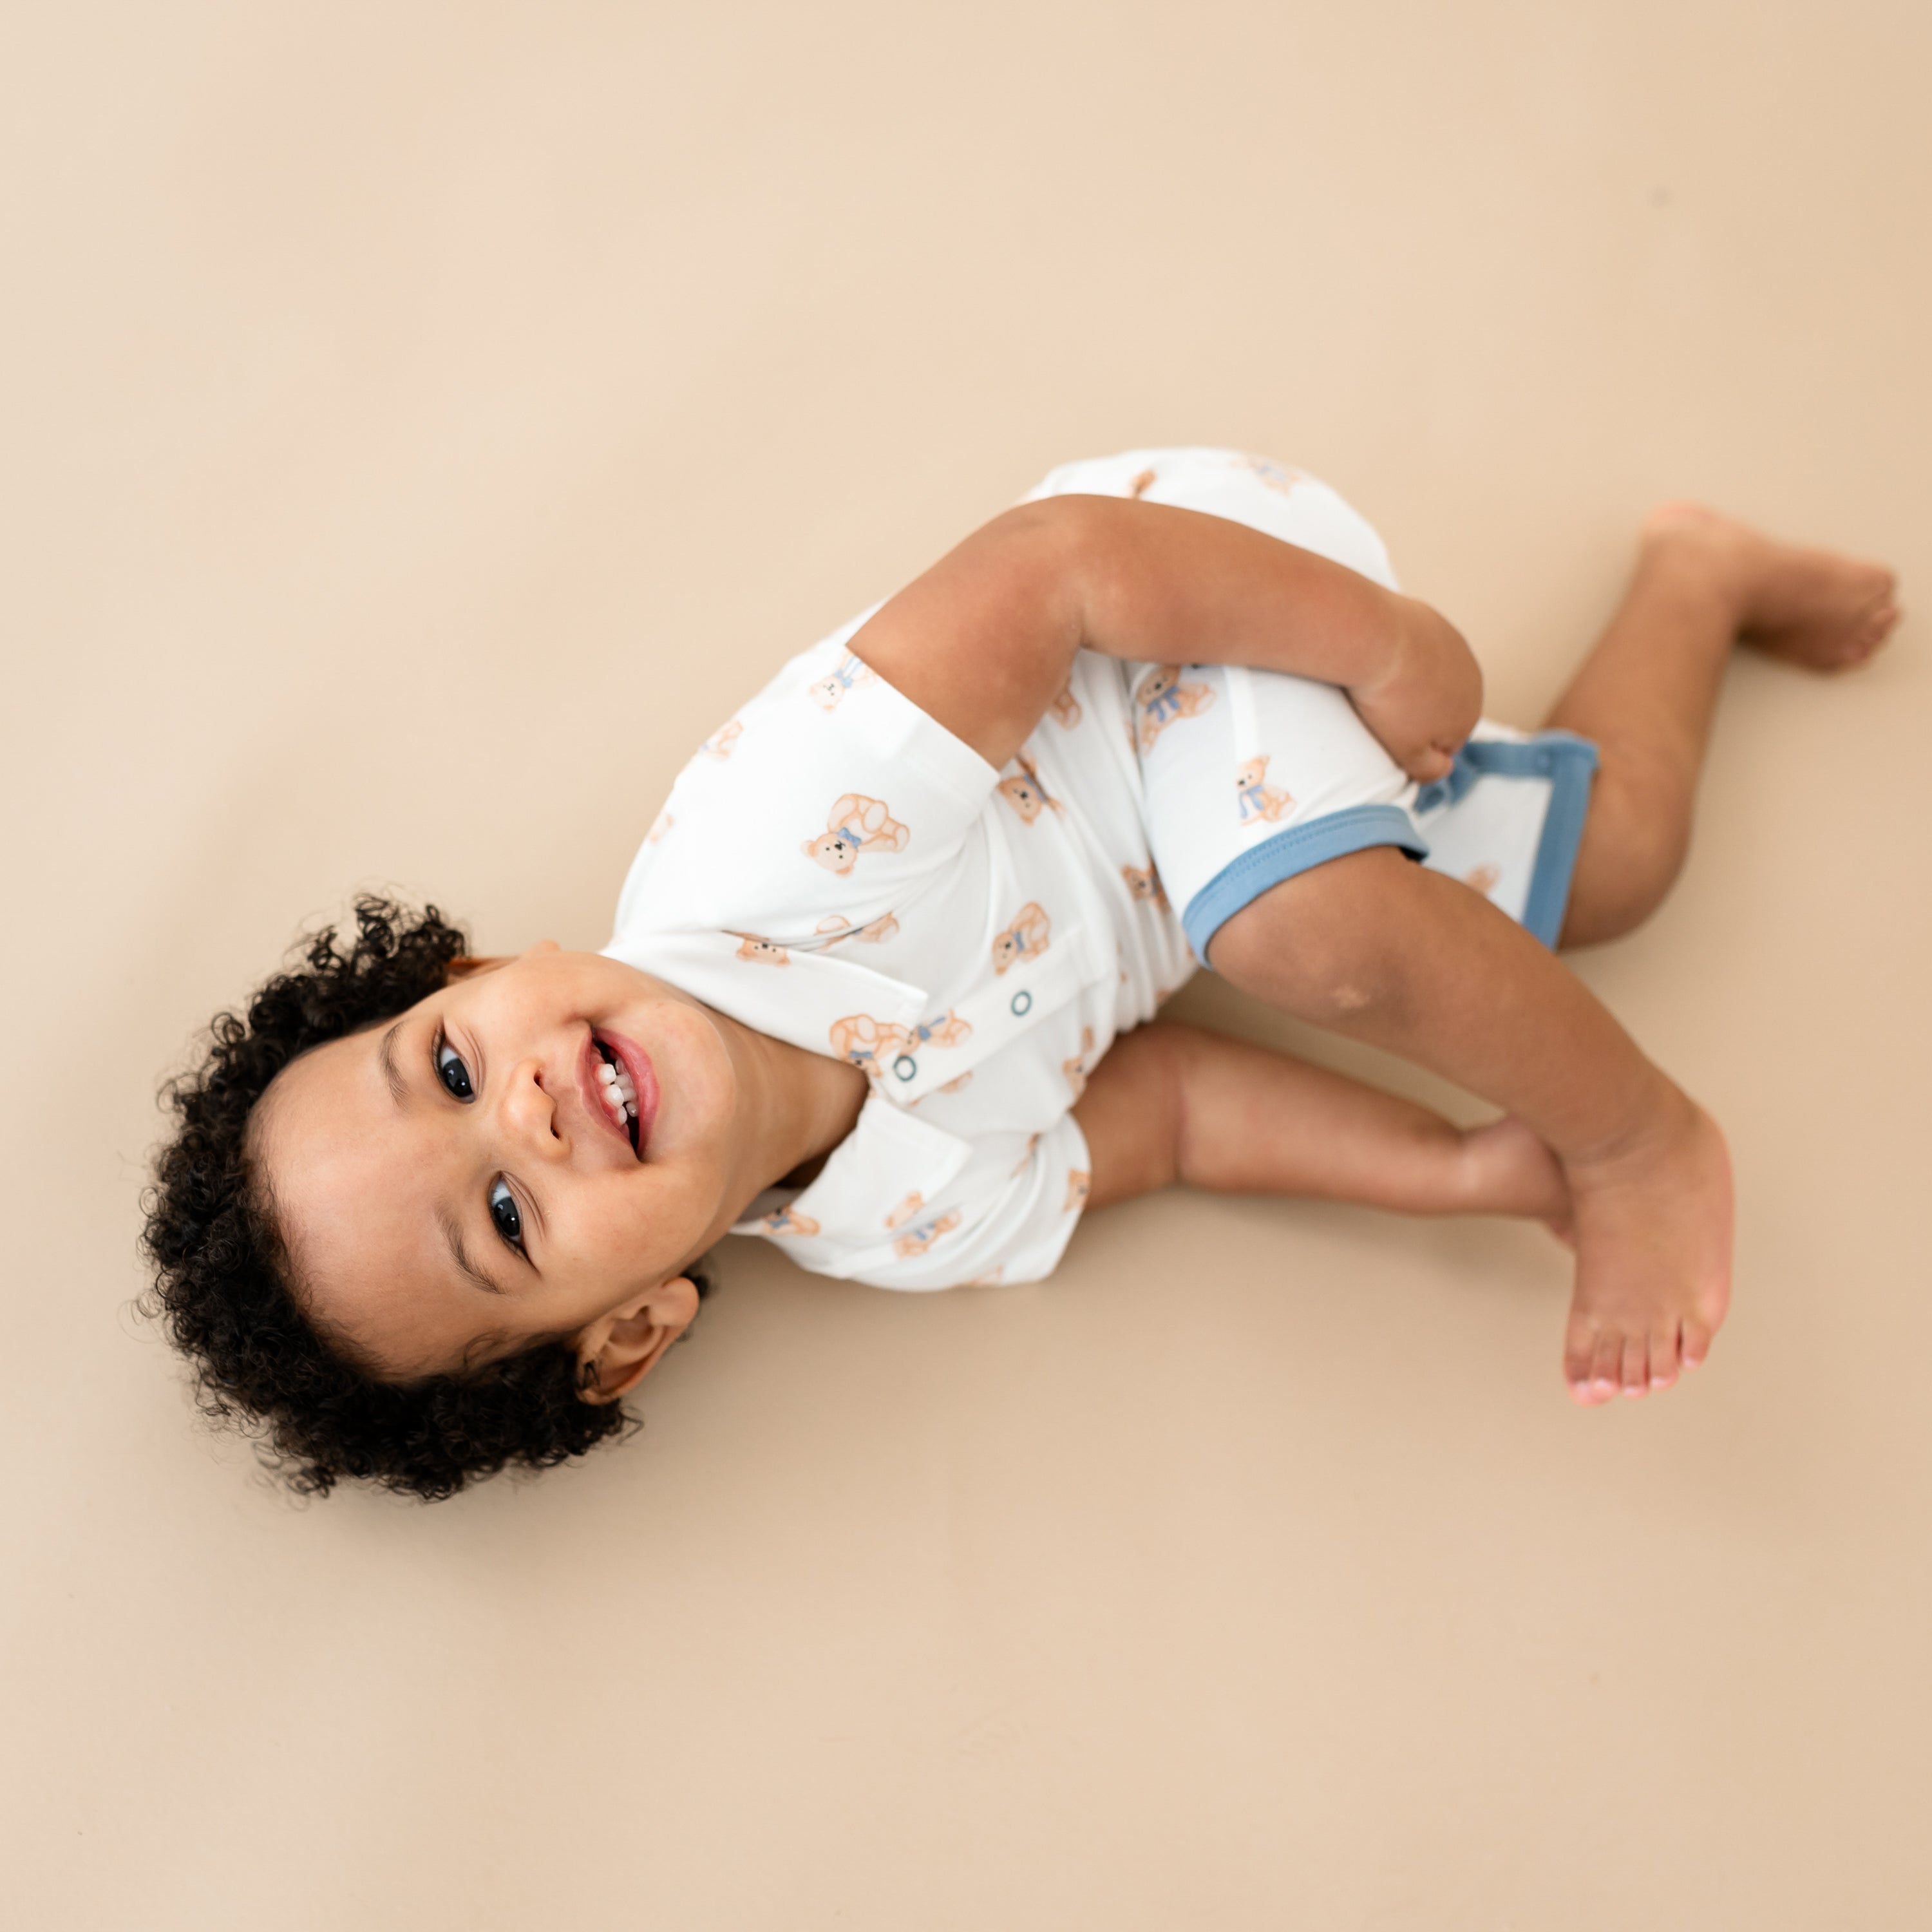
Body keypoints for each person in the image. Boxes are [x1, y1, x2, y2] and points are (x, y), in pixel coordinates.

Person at [142, 448, 1900, 1500]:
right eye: (506, 1222)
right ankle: (1700, 569)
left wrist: (1389, 642)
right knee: (1622, 873)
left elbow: (1055, 570)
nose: (522, 1114)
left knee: (1305, 931)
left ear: (479, 971)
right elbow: (1181, 1111)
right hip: (1225, 857)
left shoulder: (767, 842)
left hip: (1174, 608)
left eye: (449, 1066)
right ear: (626, 1335)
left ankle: (1645, 1139)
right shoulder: (896, 1228)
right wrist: (1448, 1170)